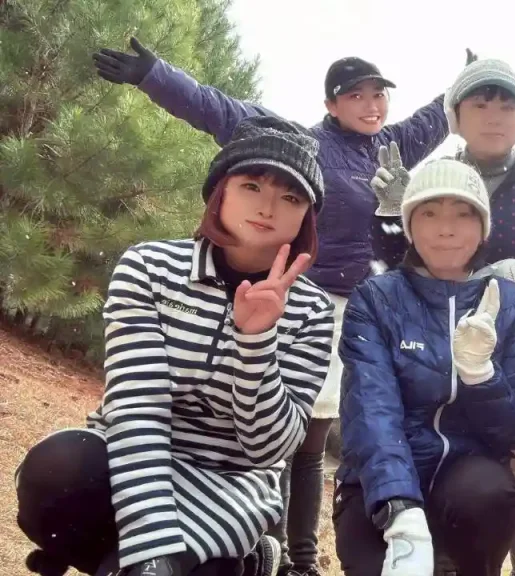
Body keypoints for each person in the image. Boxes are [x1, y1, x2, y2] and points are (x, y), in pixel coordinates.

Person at [92, 38, 463, 575]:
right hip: (289, 294)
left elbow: (436, 118)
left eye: (379, 94)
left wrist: (465, 83)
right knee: (286, 433)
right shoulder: (304, 145)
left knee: (313, 437)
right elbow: (222, 111)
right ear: (331, 104)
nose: (370, 105)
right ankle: (268, 545)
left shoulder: (393, 147)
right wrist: (155, 75)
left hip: (354, 308)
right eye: (355, 95)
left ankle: (299, 559)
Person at [15, 117, 335, 576]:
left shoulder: (313, 310)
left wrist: (255, 342)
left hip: (229, 485)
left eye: (291, 198)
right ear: (220, 191)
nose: (267, 207)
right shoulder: (150, 267)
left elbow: (268, 449)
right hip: (132, 453)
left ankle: (234, 558)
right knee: (57, 469)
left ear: (306, 216)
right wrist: (152, 546)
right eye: (251, 186)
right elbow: (136, 407)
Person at [369, 59, 515, 575]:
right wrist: (389, 213)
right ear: (455, 116)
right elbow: (391, 262)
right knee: (443, 455)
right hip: (427, 347)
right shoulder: (432, 180)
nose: (494, 115)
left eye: (507, 105)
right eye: (480, 103)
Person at [333, 158, 515, 576]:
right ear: (410, 226)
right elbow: (372, 409)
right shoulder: (376, 298)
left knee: (489, 494)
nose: (446, 229)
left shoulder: (512, 304)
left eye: (463, 214)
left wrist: (481, 375)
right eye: (429, 213)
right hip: (379, 483)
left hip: (467, 491)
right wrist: (400, 510)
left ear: (483, 228)